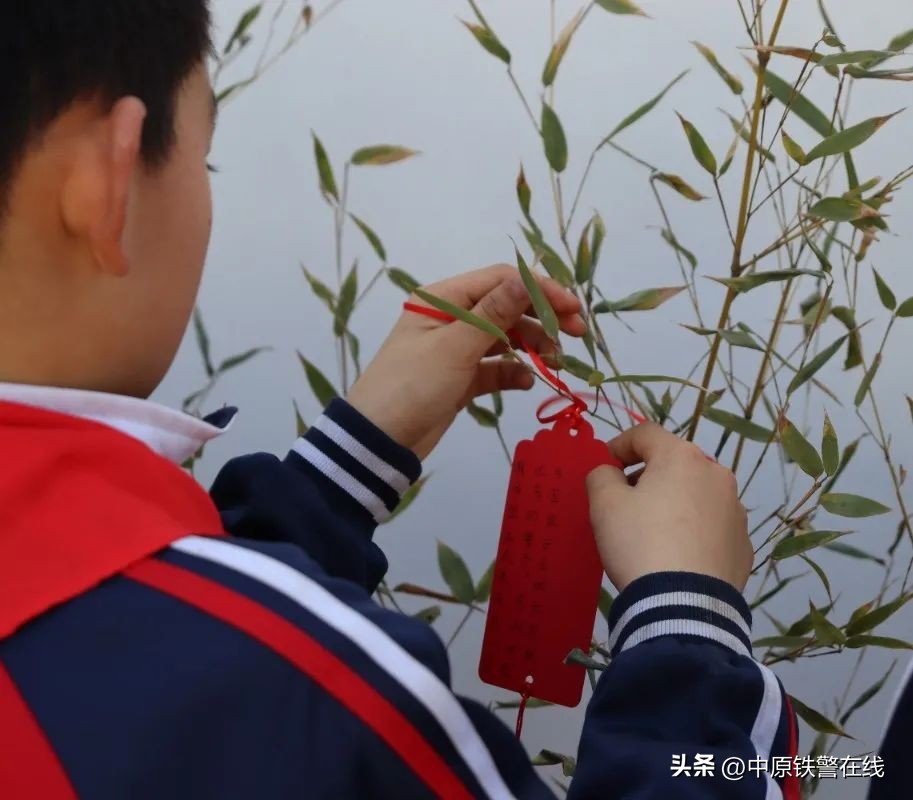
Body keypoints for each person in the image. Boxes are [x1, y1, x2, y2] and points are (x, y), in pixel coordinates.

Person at [0, 2, 801, 798]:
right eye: (203, 161)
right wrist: (690, 624)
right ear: (109, 176)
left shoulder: (172, 658)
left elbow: (148, 639)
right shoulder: (317, 696)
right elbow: (218, 655)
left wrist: (347, 462)